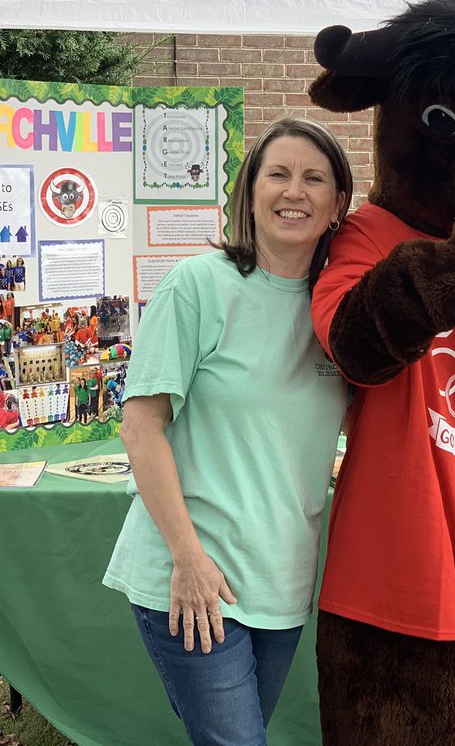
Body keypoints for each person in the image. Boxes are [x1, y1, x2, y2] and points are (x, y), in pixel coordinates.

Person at [103, 117, 353, 746]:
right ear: (250, 191)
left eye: (314, 178)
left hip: (282, 580)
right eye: (278, 174)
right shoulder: (198, 285)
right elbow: (140, 428)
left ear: (337, 204)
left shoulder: (340, 313)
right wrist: (187, 558)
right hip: (194, 574)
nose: (294, 191)